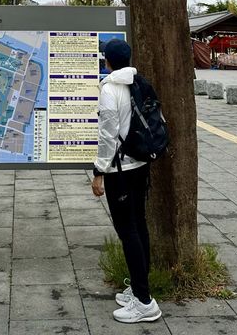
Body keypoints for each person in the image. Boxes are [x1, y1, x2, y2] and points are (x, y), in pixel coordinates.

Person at [91, 38, 161, 324]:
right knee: (139, 225)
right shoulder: (138, 81)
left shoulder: (110, 89)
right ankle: (138, 288)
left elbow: (108, 135)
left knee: (127, 231)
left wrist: (98, 172)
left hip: (120, 169)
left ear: (107, 60)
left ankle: (144, 302)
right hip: (141, 164)